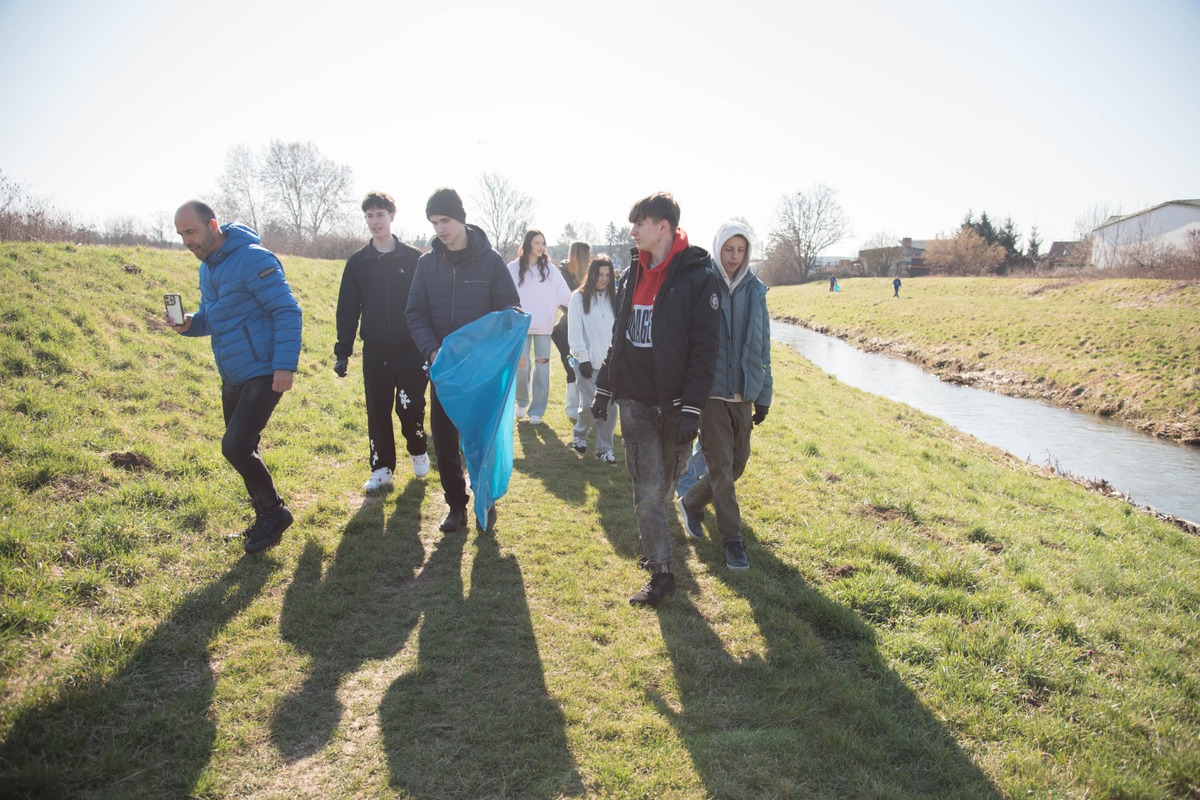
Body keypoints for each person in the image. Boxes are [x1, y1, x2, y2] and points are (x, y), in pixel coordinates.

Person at [591, 192, 719, 607]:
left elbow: (705, 350)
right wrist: (605, 388)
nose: (632, 231)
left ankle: (661, 538)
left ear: (663, 226)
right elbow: (619, 339)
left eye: (639, 223)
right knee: (646, 489)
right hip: (636, 401)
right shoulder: (631, 275)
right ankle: (662, 573)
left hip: (678, 404)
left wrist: (693, 408)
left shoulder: (698, 277)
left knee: (663, 488)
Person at [170, 200, 302, 554]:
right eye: (181, 234)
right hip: (233, 372)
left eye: (191, 232)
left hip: (263, 369)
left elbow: (287, 310)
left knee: (235, 446)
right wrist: (189, 324)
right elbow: (215, 316)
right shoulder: (209, 268)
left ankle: (275, 513)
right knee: (244, 448)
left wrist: (284, 365)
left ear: (212, 225)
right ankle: (264, 515)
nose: (186, 241)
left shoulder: (254, 258)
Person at [406, 187, 520, 533]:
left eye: (446, 220)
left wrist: (510, 325)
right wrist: (432, 349)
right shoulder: (426, 264)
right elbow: (415, 313)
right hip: (444, 370)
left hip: (482, 372)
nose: (440, 228)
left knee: (482, 437)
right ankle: (456, 505)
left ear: (461, 218)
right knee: (443, 438)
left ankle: (485, 496)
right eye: (434, 222)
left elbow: (508, 308)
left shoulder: (491, 261)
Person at [674, 221, 772, 571]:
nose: (734, 256)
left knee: (737, 464)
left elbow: (763, 347)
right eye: (728, 249)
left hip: (743, 394)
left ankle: (690, 502)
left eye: (740, 250)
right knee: (722, 472)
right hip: (710, 394)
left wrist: (764, 395)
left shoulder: (756, 291)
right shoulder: (703, 283)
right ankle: (733, 542)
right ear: (718, 248)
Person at [334, 191, 429, 493]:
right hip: (375, 351)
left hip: (412, 349)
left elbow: (427, 305)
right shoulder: (358, 263)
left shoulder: (414, 259)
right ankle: (382, 467)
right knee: (377, 411)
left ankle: (417, 447)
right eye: (369, 215)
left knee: (409, 405)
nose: (375, 221)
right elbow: (348, 309)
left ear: (392, 216)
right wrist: (343, 352)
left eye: (380, 214)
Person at [507, 230, 572, 425]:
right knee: (521, 367)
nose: (541, 246)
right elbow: (505, 292)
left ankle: (537, 410)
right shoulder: (513, 267)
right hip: (521, 325)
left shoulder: (550, 269)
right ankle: (522, 401)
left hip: (544, 325)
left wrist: (575, 307)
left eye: (543, 243)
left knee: (542, 368)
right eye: (537, 242)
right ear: (527, 244)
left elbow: (564, 293)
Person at [567, 254, 618, 463]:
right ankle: (580, 433)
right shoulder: (578, 298)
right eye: (600, 274)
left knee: (610, 408)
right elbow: (575, 330)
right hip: (586, 362)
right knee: (589, 405)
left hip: (610, 364)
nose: (604, 279)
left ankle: (604, 449)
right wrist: (582, 357)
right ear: (593, 274)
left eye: (608, 275)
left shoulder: (614, 298)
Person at [552, 241, 590, 420]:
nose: (589, 259)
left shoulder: (588, 275)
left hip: (585, 326)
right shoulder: (562, 275)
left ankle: (584, 405)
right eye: (587, 256)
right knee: (570, 365)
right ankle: (571, 407)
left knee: (583, 366)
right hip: (564, 326)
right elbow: (561, 300)